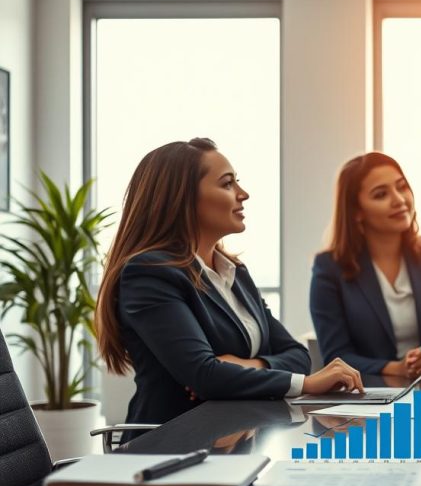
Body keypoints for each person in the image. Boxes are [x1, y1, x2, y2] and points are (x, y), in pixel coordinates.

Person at [96, 138, 363, 431]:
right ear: (182, 198)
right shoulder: (150, 272)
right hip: (172, 446)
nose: (243, 194)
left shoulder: (235, 272)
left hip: (237, 436)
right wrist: (307, 384)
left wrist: (247, 365)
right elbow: (204, 376)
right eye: (227, 184)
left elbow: (297, 355)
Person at [310, 152, 421, 379]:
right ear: (356, 212)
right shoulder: (330, 267)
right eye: (381, 194)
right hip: (367, 394)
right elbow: (336, 355)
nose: (399, 199)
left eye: (401, 187)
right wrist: (396, 368)